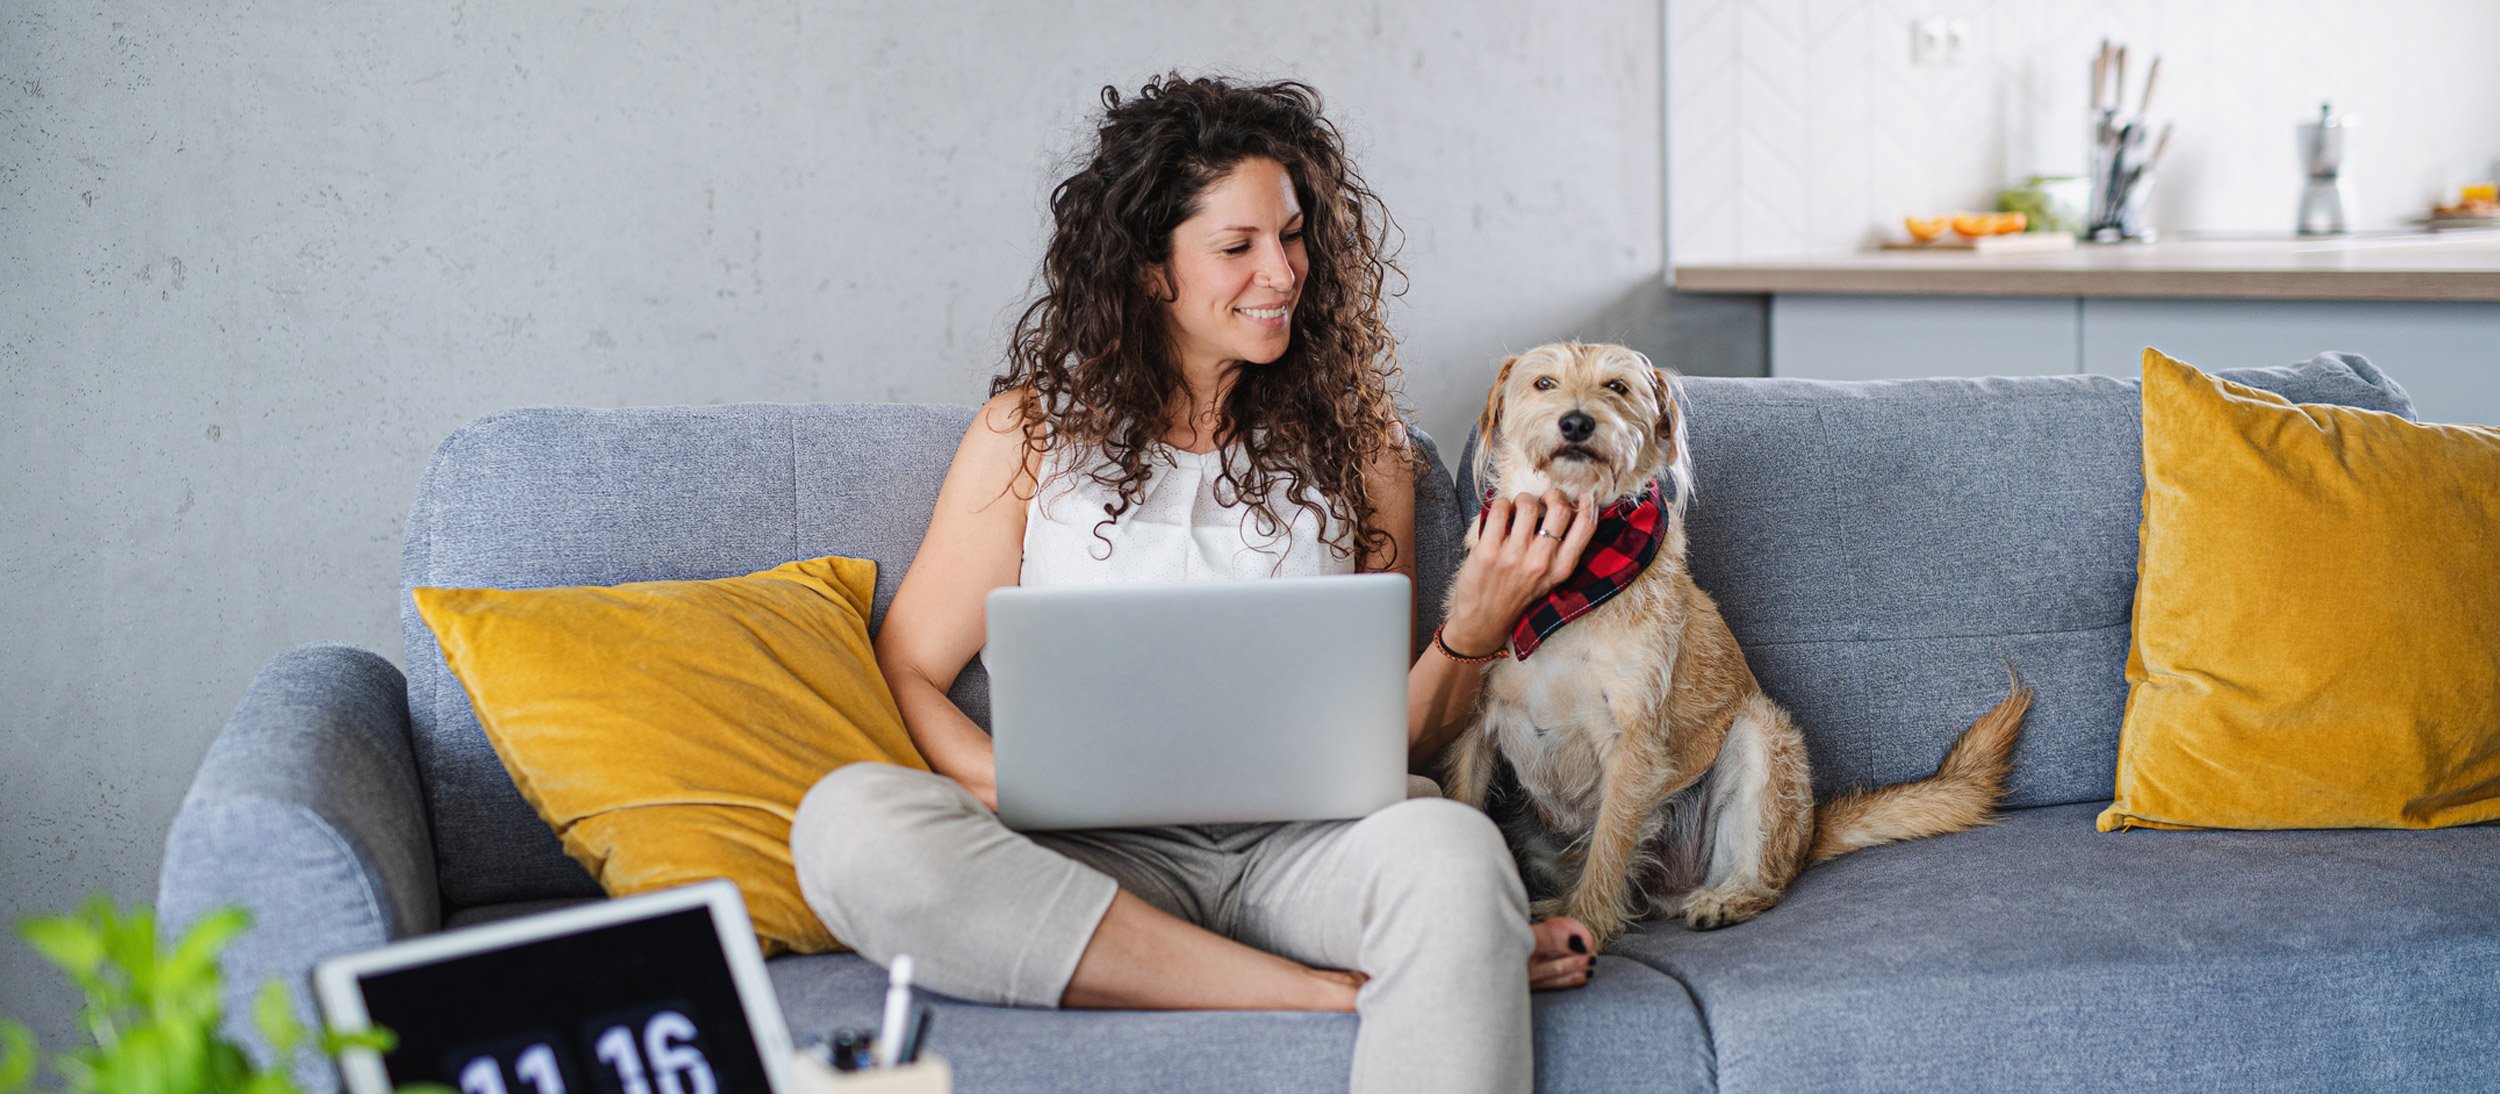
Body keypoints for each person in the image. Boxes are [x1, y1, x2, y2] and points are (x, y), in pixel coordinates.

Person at [789, 73, 1604, 1093]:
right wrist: (1005, 782)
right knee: (850, 824)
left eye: (1295, 236)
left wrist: (1471, 631)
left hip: (1307, 852)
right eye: (1238, 245)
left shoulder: (1365, 448)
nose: (1282, 270)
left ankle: (1383, 953)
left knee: (1451, 851)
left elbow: (1383, 736)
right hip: (1087, 858)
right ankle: (1322, 991)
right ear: (1148, 270)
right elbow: (907, 663)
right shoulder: (1030, 433)